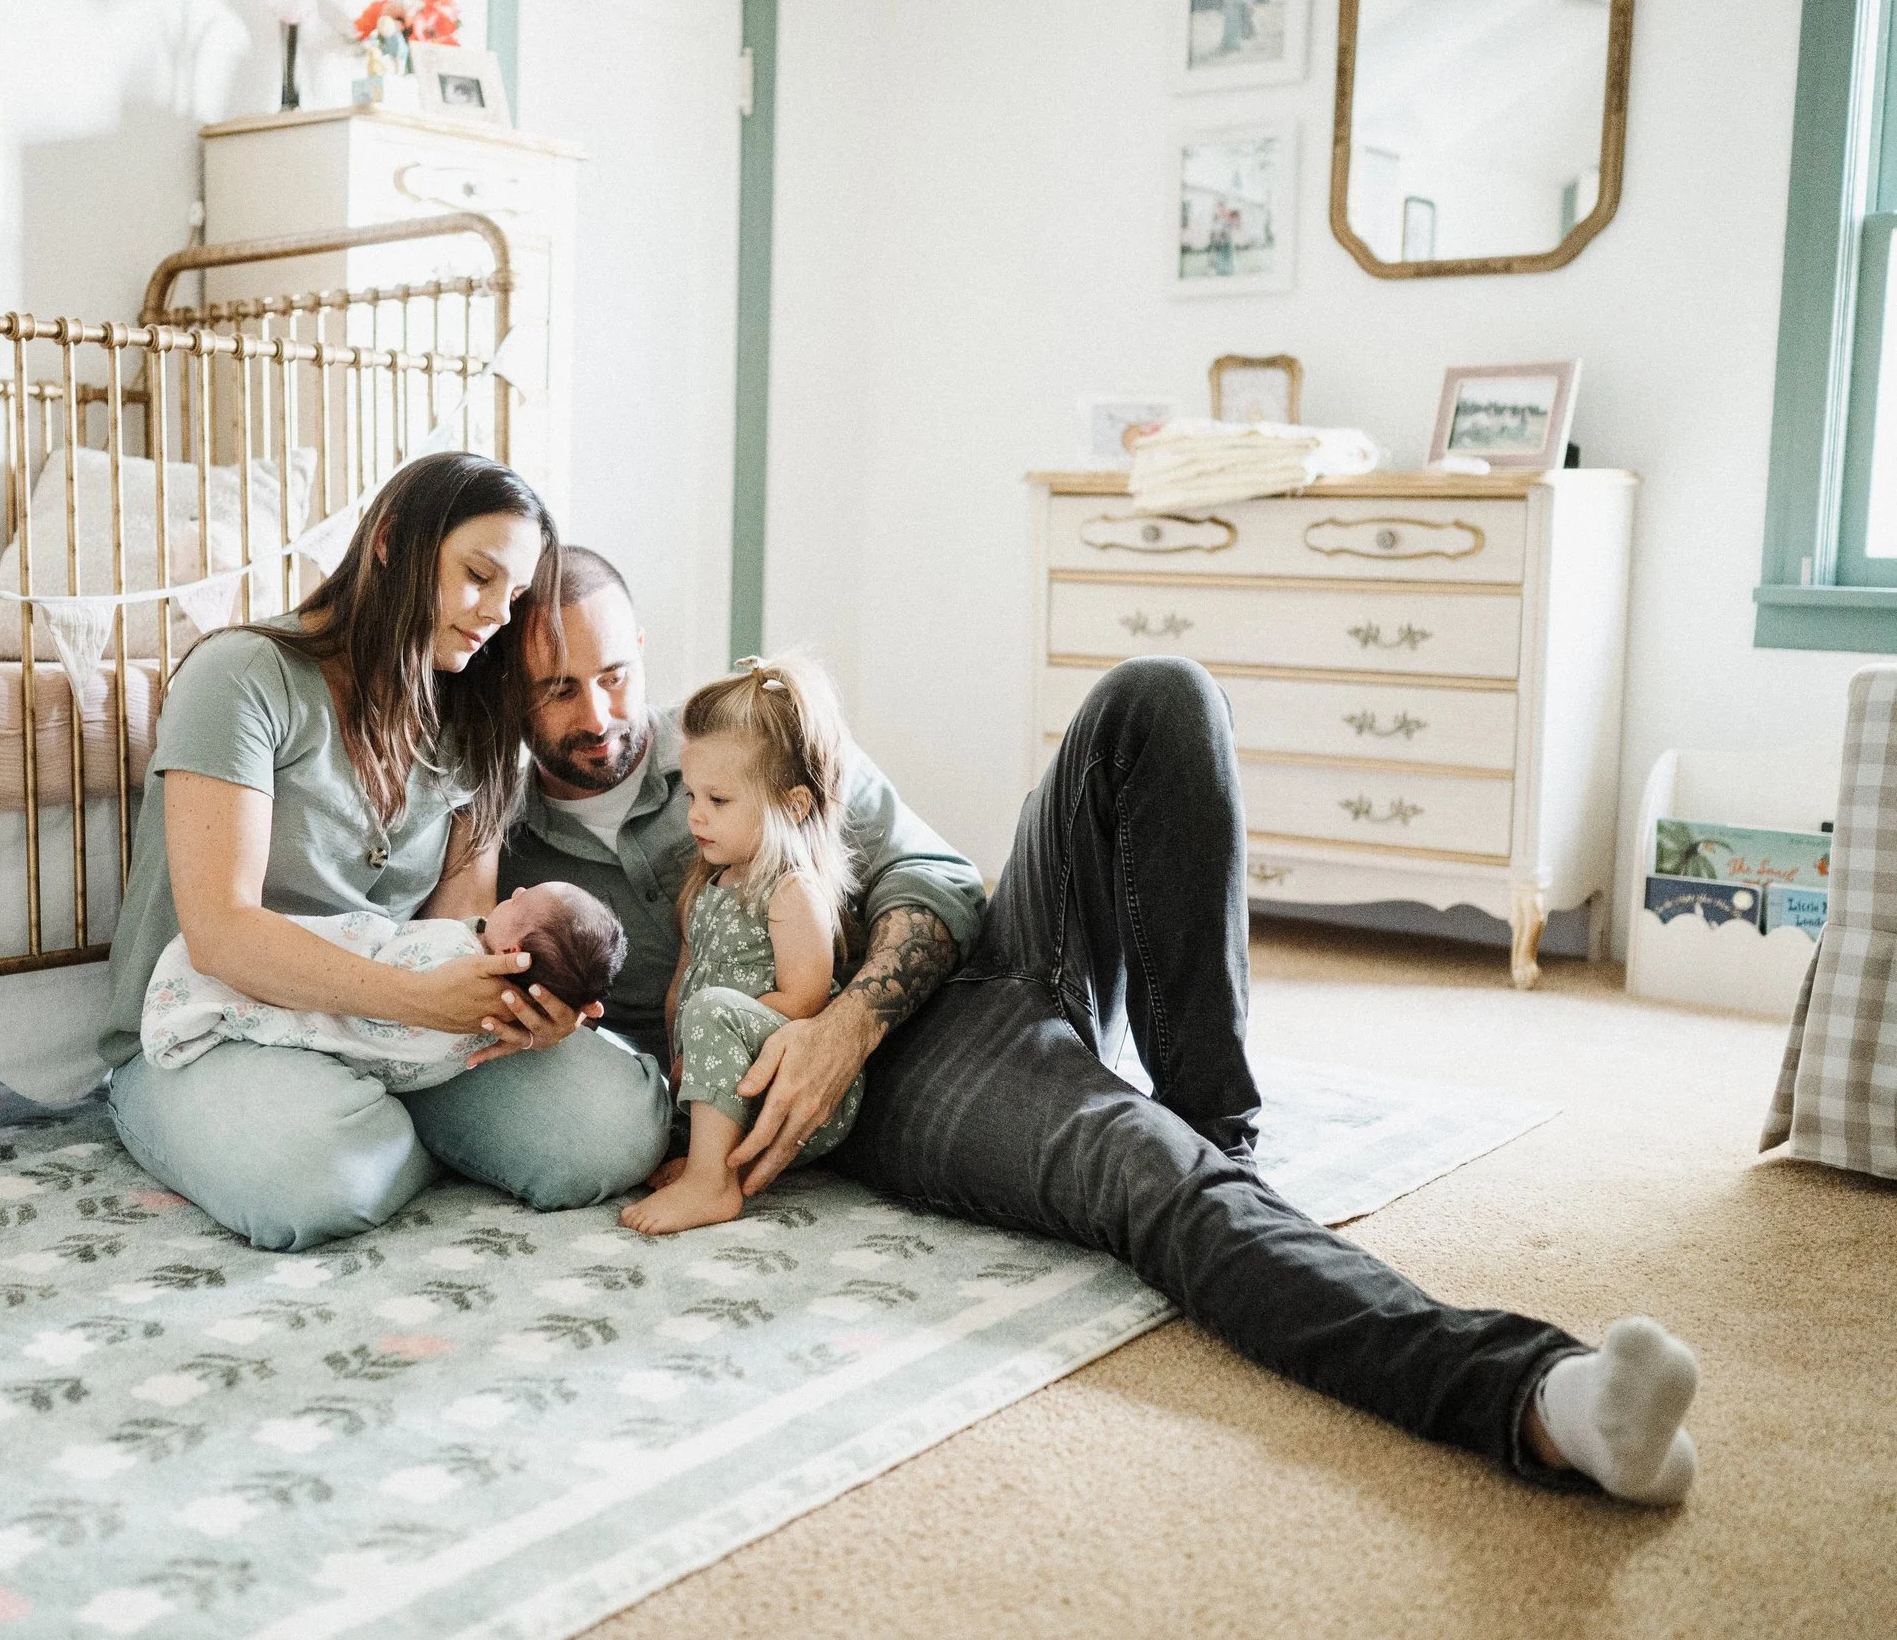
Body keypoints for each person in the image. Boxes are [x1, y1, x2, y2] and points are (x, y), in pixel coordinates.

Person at [503, 547, 1701, 1506]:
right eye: (558, 686)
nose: (602, 709)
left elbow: (940, 875)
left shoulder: (739, 732)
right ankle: (1540, 1401)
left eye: (613, 672)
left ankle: (1216, 1134)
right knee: (1146, 1180)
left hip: (929, 990)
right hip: (909, 1091)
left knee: (1158, 696)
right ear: (509, 691)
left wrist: (850, 1019)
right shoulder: (501, 843)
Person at [97, 456, 669, 1252]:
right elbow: (219, 931)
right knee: (323, 1176)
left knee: (618, 1126)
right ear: (394, 543)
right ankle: (384, 1129)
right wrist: (413, 1000)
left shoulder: (470, 716)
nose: (495, 616)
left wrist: (511, 1000)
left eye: (513, 596)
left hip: (400, 1029)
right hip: (213, 1023)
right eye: (478, 576)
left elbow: (464, 919)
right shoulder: (243, 678)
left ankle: (386, 1120)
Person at [621, 657, 863, 1235]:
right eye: (692, 797)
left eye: (719, 801)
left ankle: (712, 1184)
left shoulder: (790, 890)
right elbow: (685, 982)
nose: (697, 816)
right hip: (727, 1065)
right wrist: (690, 1047)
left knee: (711, 1008)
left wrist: (714, 1032)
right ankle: (711, 1156)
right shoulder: (708, 883)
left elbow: (805, 1000)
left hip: (791, 1085)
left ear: (794, 804)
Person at [139, 881, 626, 1091]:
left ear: (509, 953)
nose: (515, 890)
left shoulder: (451, 951)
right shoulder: (492, 1022)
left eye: (524, 901)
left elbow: (394, 948)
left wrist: (547, 1023)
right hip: (264, 959)